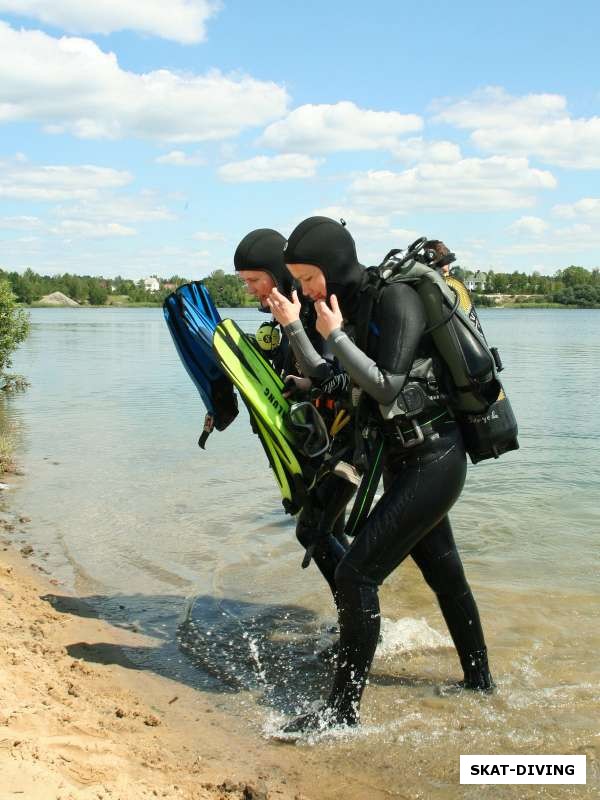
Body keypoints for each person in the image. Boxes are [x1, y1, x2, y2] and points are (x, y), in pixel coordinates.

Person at [267, 216, 493, 734]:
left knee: (355, 574)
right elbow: (340, 378)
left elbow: (388, 387)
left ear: (333, 265)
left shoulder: (395, 301)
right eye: (298, 281)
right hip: (403, 461)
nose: (303, 288)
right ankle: (482, 687)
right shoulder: (354, 305)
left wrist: (332, 334)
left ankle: (341, 714)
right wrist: (300, 331)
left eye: (306, 278)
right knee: (445, 576)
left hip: (434, 458)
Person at [234, 228, 356, 602]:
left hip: (344, 442)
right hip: (320, 442)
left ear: (275, 271)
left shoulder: (309, 307)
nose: (250, 289)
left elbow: (331, 374)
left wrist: (294, 327)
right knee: (330, 530)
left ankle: (359, 613)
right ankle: (356, 616)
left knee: (314, 532)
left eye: (254, 279)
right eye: (244, 282)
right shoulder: (286, 310)